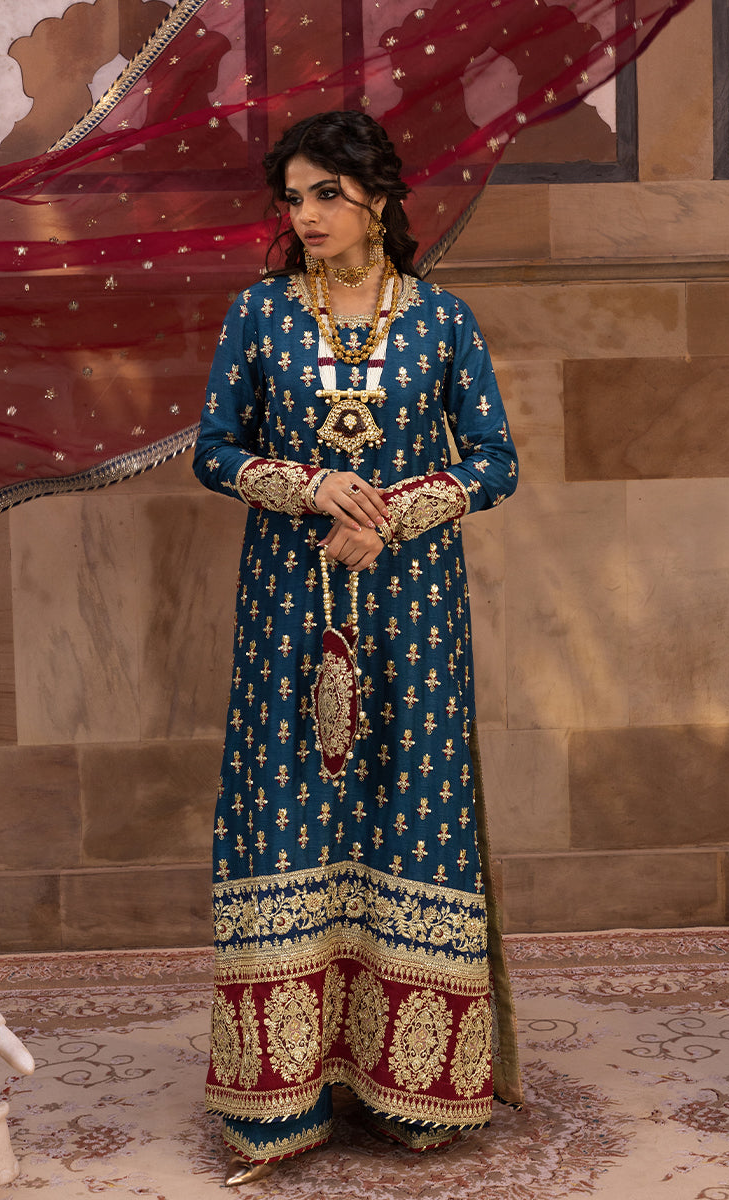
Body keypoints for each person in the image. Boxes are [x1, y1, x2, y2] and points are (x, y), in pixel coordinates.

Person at [193, 109, 520, 1187]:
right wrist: (308, 485)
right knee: (285, 800)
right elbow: (213, 450)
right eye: (293, 198)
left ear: (376, 197)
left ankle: (410, 1089)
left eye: (325, 194)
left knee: (408, 797)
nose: (305, 215)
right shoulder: (258, 314)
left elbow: (494, 461)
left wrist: (391, 513)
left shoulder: (441, 320)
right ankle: (277, 1101)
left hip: (412, 612)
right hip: (290, 606)